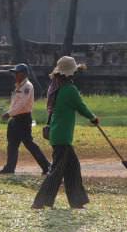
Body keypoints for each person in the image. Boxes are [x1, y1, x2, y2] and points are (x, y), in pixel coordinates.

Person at [33, 56, 97, 209]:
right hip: (62, 136)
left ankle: (77, 201)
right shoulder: (69, 90)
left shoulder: (58, 88)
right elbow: (81, 107)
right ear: (70, 74)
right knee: (56, 172)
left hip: (59, 135)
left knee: (73, 168)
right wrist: (93, 118)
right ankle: (40, 202)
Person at [0, 63, 50, 175]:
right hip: (15, 119)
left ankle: (46, 166)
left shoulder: (27, 87)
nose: (15, 75)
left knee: (29, 144)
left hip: (23, 119)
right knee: (12, 144)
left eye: (17, 73)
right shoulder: (19, 86)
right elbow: (15, 103)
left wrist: (8, 113)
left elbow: (22, 104)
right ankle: (9, 168)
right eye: (15, 73)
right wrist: (10, 113)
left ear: (24, 74)